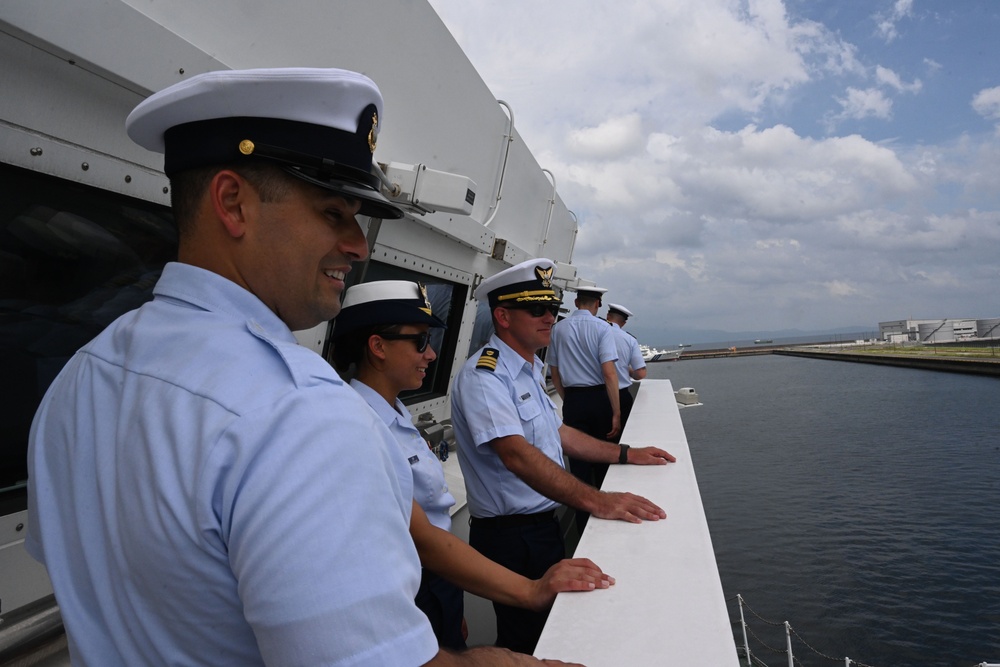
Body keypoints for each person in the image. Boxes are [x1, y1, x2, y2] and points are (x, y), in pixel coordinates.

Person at [26, 67, 577, 667]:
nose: (358, 246)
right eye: (333, 213)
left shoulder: (81, 376)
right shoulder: (299, 410)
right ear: (233, 203)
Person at [331, 280, 613, 650]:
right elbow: (420, 536)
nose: (431, 355)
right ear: (377, 346)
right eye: (420, 341)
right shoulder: (359, 426)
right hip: (409, 584)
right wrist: (530, 590)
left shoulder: (395, 415)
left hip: (438, 581)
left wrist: (451, 600)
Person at [450, 258, 677, 655]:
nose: (549, 317)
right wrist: (597, 500)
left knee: (552, 630)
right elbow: (516, 456)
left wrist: (625, 453)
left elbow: (559, 435)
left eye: (552, 309)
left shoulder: (527, 367)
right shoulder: (485, 377)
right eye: (536, 309)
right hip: (512, 536)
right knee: (528, 640)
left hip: (539, 527)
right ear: (502, 316)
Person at [546, 285, 619, 531]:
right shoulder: (603, 328)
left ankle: (582, 526)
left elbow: (554, 372)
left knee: (578, 468)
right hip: (599, 398)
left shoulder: (557, 329)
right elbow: (609, 374)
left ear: (577, 302)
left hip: (574, 400)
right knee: (604, 459)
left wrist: (568, 399)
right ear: (598, 304)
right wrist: (616, 412)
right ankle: (607, 522)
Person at [604, 302, 647, 435]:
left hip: (594, 394)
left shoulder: (594, 333)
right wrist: (626, 369)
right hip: (621, 395)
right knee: (620, 437)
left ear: (607, 315)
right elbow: (640, 373)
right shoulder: (629, 340)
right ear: (624, 323)